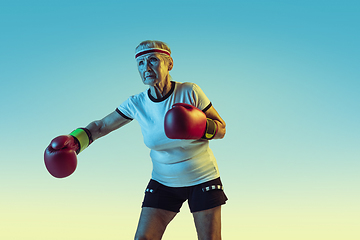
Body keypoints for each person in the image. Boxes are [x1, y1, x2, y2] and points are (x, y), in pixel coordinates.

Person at [44, 40, 228, 240]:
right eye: (140, 63)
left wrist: (200, 127)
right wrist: (75, 142)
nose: (146, 67)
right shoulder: (136, 103)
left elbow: (222, 129)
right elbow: (101, 126)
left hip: (201, 178)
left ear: (169, 64)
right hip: (163, 181)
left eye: (153, 60)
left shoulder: (189, 91)